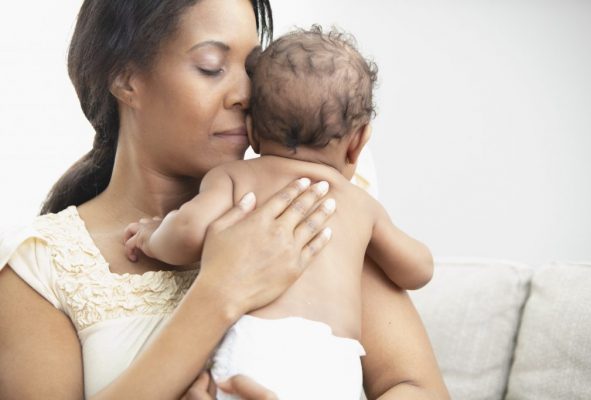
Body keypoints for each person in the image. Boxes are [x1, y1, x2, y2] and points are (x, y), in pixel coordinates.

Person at [0, 0, 450, 399]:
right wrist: (220, 293)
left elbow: (416, 387)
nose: (244, 94)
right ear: (126, 78)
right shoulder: (42, 268)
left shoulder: (308, 206)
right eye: (212, 67)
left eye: (253, 70)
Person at [123, 26, 434, 399]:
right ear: (357, 143)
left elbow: (188, 232)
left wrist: (152, 237)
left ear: (252, 131)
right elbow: (419, 269)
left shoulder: (236, 178)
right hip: (335, 365)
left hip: (258, 353)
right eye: (211, 67)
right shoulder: (359, 205)